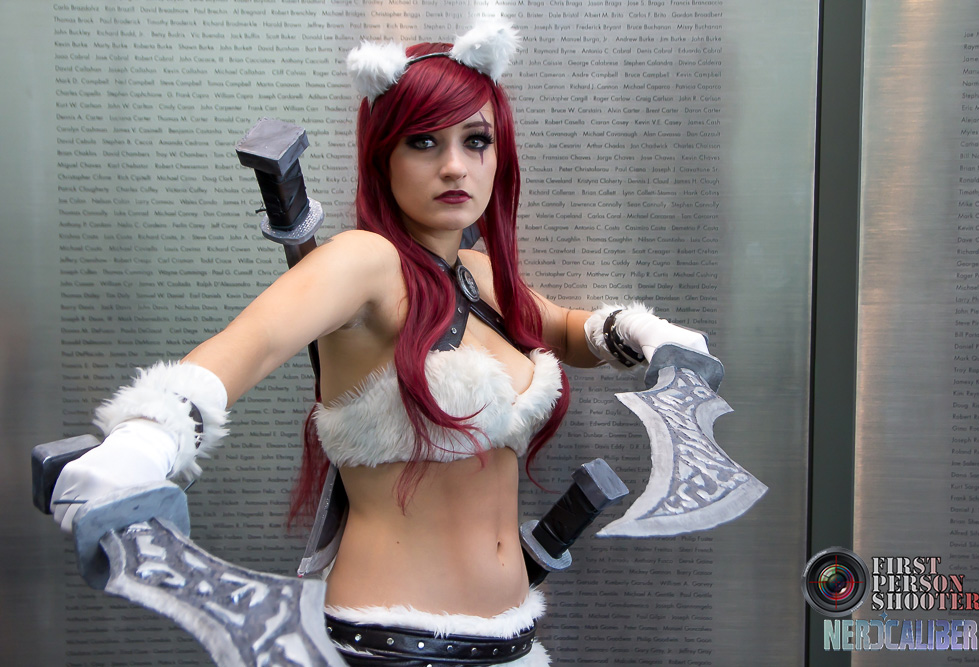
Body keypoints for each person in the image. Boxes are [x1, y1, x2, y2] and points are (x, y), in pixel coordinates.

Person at [50, 21, 711, 666]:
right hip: (389, 644)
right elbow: (254, 342)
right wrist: (146, 440)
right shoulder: (365, 262)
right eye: (423, 141)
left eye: (476, 140)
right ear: (382, 157)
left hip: (511, 640)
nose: (454, 165)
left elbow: (566, 330)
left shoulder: (480, 275)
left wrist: (645, 332)